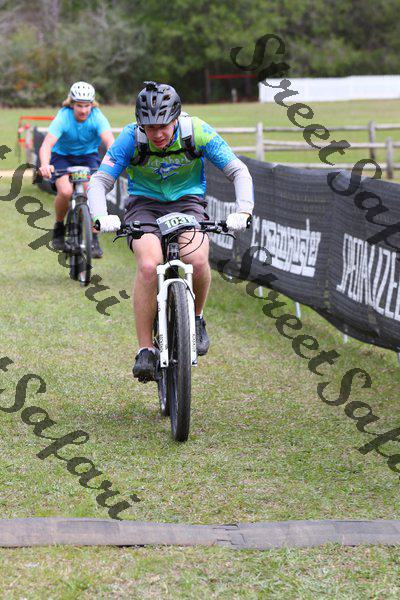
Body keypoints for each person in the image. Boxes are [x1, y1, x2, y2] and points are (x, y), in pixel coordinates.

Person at [88, 81, 254, 381]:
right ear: (141, 124)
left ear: (176, 118)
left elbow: (237, 170)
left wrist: (243, 210)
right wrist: (100, 215)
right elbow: (100, 181)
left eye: (163, 126)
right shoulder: (130, 137)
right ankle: (145, 350)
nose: (158, 134)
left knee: (198, 260)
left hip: (187, 203)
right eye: (150, 127)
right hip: (144, 205)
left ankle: (197, 319)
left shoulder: (197, 131)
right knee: (149, 265)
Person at [38, 81, 115, 258]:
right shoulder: (63, 117)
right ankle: (59, 227)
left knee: (92, 192)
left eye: (87, 106)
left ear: (92, 105)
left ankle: (93, 238)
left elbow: (110, 142)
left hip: (88, 157)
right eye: (79, 105)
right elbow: (47, 145)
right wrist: (44, 164)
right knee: (65, 191)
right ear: (72, 104)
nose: (83, 110)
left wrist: (113, 163)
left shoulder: (98, 117)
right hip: (62, 157)